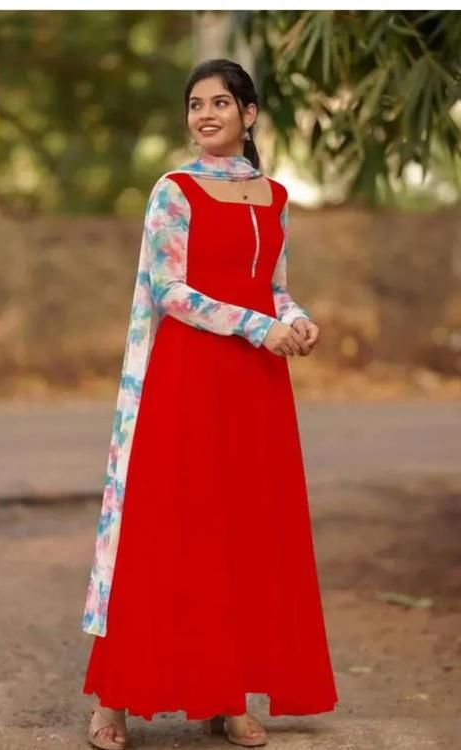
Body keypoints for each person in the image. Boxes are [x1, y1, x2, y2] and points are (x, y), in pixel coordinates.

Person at [81, 58, 338, 749]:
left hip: (256, 386)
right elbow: (168, 290)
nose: (205, 115)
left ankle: (227, 695)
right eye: (196, 104)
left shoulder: (275, 196)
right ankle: (113, 700)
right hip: (190, 377)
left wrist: (296, 318)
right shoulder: (175, 191)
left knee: (243, 533)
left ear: (248, 114)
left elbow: (274, 287)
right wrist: (259, 327)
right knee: (167, 530)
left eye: (220, 103)